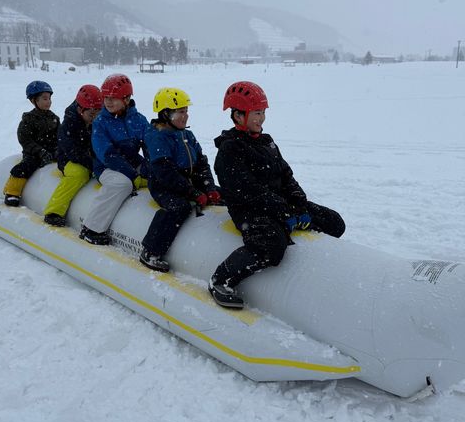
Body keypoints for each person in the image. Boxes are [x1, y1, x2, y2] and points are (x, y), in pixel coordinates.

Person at [209, 80, 345, 309]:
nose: (260, 119)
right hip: (250, 211)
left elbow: (285, 174)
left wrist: (298, 201)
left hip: (281, 204)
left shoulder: (266, 141)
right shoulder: (229, 150)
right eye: (255, 113)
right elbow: (249, 191)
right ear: (238, 115)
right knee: (272, 245)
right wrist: (284, 210)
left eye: (262, 112)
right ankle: (220, 280)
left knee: (334, 222)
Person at [139, 87, 221, 272]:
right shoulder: (156, 137)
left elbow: (202, 163)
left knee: (223, 194)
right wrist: (192, 192)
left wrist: (209, 187)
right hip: (164, 186)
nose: (185, 116)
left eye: (186, 111)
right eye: (180, 112)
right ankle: (150, 251)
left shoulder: (187, 135)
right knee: (179, 207)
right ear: (165, 114)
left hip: (188, 182)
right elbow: (166, 173)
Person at [79, 73, 150, 245]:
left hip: (133, 163)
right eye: (106, 98)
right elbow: (107, 154)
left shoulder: (139, 120)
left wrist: (150, 168)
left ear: (126, 99)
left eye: (114, 98)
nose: (108, 102)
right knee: (122, 184)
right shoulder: (101, 122)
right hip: (106, 167)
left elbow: (150, 146)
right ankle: (91, 228)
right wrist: (133, 174)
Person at [43, 84, 103, 226]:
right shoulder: (69, 125)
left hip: (90, 158)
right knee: (79, 173)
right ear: (80, 109)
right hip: (68, 160)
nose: (94, 118)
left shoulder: (95, 122)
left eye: (98, 114)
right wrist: (93, 165)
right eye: (91, 114)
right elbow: (73, 152)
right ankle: (54, 211)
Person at [3, 81, 60, 207]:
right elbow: (25, 140)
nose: (48, 101)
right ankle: (12, 192)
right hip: (34, 154)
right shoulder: (28, 119)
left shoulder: (54, 118)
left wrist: (57, 149)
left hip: (52, 152)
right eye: (44, 99)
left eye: (49, 98)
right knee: (25, 167)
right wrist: (39, 151)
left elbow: (59, 137)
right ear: (34, 101)